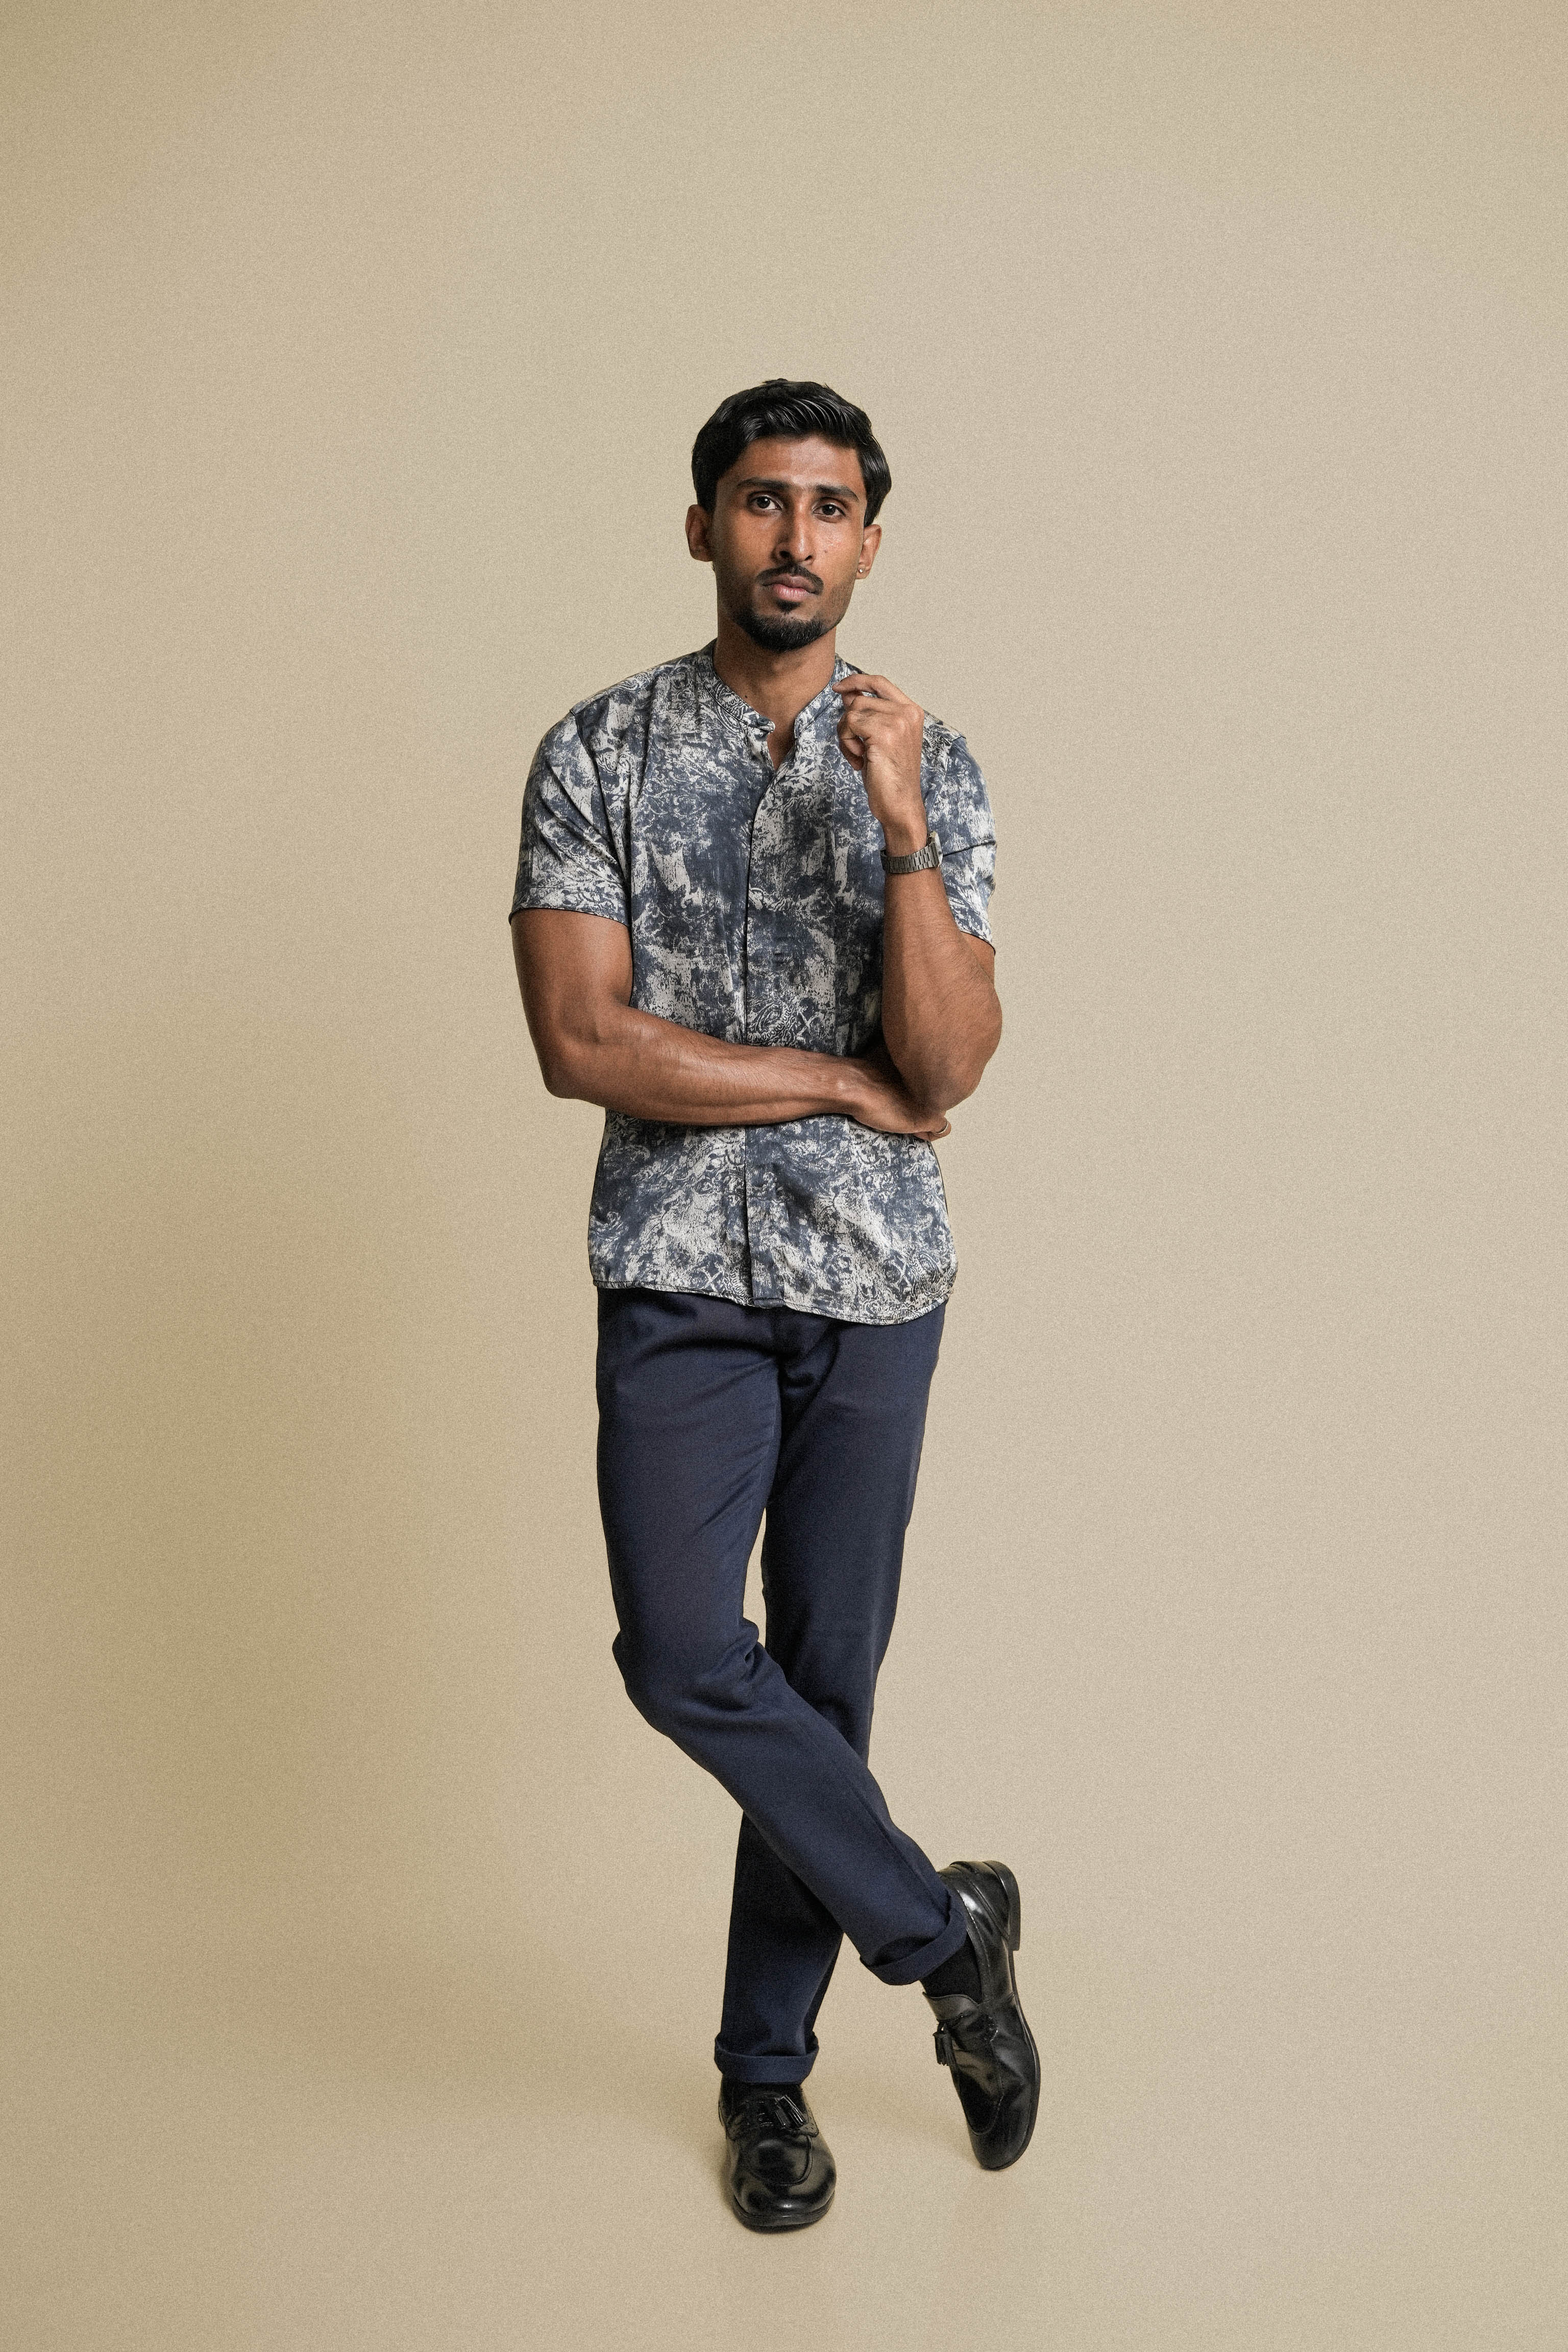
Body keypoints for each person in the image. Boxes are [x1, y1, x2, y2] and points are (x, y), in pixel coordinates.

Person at [508, 379, 1039, 2231]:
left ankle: (766, 2083)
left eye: (826, 507)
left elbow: (946, 1061)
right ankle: (943, 1932)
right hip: (676, 1276)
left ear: (868, 542)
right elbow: (583, 1042)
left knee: (824, 1686)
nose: (792, 536)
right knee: (683, 1656)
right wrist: (825, 1081)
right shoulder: (596, 751)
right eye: (759, 500)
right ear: (703, 527)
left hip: (875, 1286)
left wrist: (897, 825)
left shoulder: (933, 763)